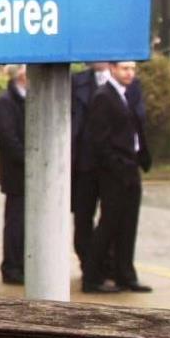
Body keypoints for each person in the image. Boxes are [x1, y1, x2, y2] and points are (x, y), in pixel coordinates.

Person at [81, 60, 153, 294]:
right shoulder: (104, 96)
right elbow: (99, 140)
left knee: (128, 225)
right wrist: (118, 164)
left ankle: (126, 275)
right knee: (109, 224)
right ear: (112, 69)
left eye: (132, 69)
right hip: (114, 171)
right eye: (124, 68)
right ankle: (92, 277)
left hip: (131, 166)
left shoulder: (128, 94)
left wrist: (141, 157)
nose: (130, 73)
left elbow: (135, 129)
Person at [70, 61, 110, 268]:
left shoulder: (124, 80)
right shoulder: (76, 82)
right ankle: (87, 261)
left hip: (111, 164)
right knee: (83, 215)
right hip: (84, 163)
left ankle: (107, 262)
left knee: (113, 216)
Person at [0, 65, 27, 285]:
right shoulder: (5, 102)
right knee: (16, 223)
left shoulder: (29, 100)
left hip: (30, 176)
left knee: (27, 224)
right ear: (22, 76)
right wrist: (30, 160)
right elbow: (8, 139)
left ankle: (24, 264)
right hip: (17, 175)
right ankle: (12, 268)